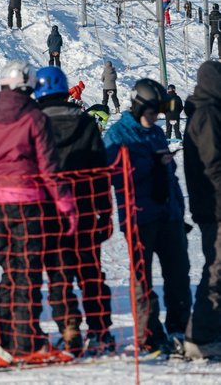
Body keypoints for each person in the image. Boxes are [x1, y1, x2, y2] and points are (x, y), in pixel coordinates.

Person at [0, 61, 74, 366]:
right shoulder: (34, 117)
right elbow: (48, 165)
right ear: (28, 87)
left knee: (10, 274)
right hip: (27, 203)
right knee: (27, 274)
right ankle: (23, 343)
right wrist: (65, 203)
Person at [33, 67, 115, 356]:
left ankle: (69, 330)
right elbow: (100, 168)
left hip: (50, 213)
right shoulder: (85, 122)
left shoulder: (34, 123)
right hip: (86, 209)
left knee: (59, 274)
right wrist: (106, 212)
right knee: (91, 273)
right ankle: (100, 330)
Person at [105, 79, 190, 353]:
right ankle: (149, 333)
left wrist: (178, 209)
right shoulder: (119, 135)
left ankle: (179, 327)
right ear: (139, 107)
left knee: (178, 275)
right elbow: (115, 174)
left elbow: (169, 175)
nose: (155, 118)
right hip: (139, 216)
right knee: (143, 279)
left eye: (158, 113)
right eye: (152, 112)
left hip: (168, 215)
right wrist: (150, 163)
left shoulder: (155, 132)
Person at [181, 60, 221, 359]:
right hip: (216, 207)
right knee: (217, 271)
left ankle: (210, 331)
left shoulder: (205, 111)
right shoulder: (207, 114)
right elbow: (214, 165)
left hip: (212, 205)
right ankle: (200, 335)